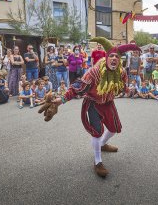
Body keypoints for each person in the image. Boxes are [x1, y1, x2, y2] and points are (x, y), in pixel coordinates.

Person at [38, 37, 140, 178]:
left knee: (113, 129)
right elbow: (77, 88)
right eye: (111, 56)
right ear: (106, 57)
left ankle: (103, 144)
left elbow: (122, 85)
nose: (114, 59)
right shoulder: (94, 72)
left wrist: (127, 90)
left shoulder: (121, 72)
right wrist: (61, 100)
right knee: (97, 132)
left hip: (108, 103)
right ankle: (97, 161)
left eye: (117, 56)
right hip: (93, 104)